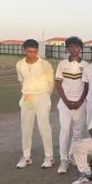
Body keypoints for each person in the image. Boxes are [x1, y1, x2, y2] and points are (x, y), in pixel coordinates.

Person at [15, 39, 55, 169]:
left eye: (35, 51)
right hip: (27, 97)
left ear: (38, 51)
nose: (32, 54)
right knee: (25, 127)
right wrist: (28, 93)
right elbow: (21, 81)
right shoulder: (20, 64)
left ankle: (49, 157)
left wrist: (44, 96)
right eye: (29, 51)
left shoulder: (45, 64)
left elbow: (50, 83)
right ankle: (26, 157)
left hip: (42, 96)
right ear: (24, 50)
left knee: (44, 126)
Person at [55, 36, 89, 174]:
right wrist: (66, 101)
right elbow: (58, 84)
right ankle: (63, 159)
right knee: (64, 131)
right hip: (65, 104)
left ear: (80, 48)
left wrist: (80, 101)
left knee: (77, 133)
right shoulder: (62, 64)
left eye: (76, 47)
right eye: (71, 47)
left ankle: (72, 156)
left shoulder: (86, 65)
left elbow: (86, 85)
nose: (74, 49)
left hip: (80, 103)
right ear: (68, 48)